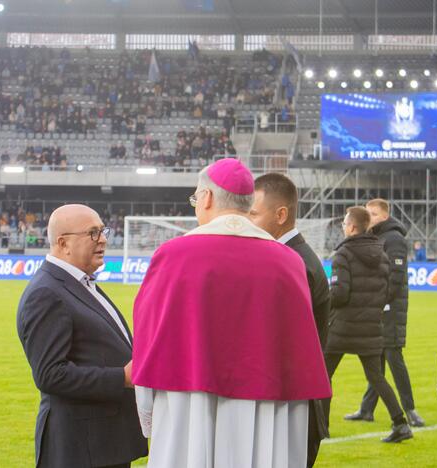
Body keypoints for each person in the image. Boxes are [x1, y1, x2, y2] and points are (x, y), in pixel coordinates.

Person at [131, 159, 330, 468]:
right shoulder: (288, 261)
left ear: (207, 198)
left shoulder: (172, 255)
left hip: (187, 403)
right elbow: (300, 351)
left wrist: (147, 414)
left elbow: (148, 337)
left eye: (196, 197)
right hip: (266, 406)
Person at [16, 204, 147, 468]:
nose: (103, 240)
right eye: (93, 233)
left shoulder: (79, 283)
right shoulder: (47, 293)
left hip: (102, 443)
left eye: (102, 231)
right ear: (63, 243)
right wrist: (122, 377)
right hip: (81, 448)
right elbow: (50, 374)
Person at [250, 172, 330, 468]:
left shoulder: (295, 263)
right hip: (290, 403)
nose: (247, 222)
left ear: (281, 214)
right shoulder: (291, 258)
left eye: (254, 214)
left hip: (296, 408)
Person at [323, 206, 413, 443]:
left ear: (352, 227)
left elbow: (340, 294)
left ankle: (320, 426)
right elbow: (385, 291)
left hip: (343, 326)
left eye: (344, 222)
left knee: (323, 375)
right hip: (372, 326)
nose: (343, 226)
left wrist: (324, 300)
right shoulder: (381, 253)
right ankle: (401, 424)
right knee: (376, 377)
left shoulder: (342, 254)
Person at [345, 199, 424, 428]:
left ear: (385, 216)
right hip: (379, 306)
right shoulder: (376, 238)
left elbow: (396, 278)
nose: (369, 217)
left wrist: (379, 302)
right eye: (367, 213)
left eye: (374, 213)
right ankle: (367, 409)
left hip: (391, 308)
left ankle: (410, 410)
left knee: (393, 357)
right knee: (375, 359)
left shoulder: (394, 239)